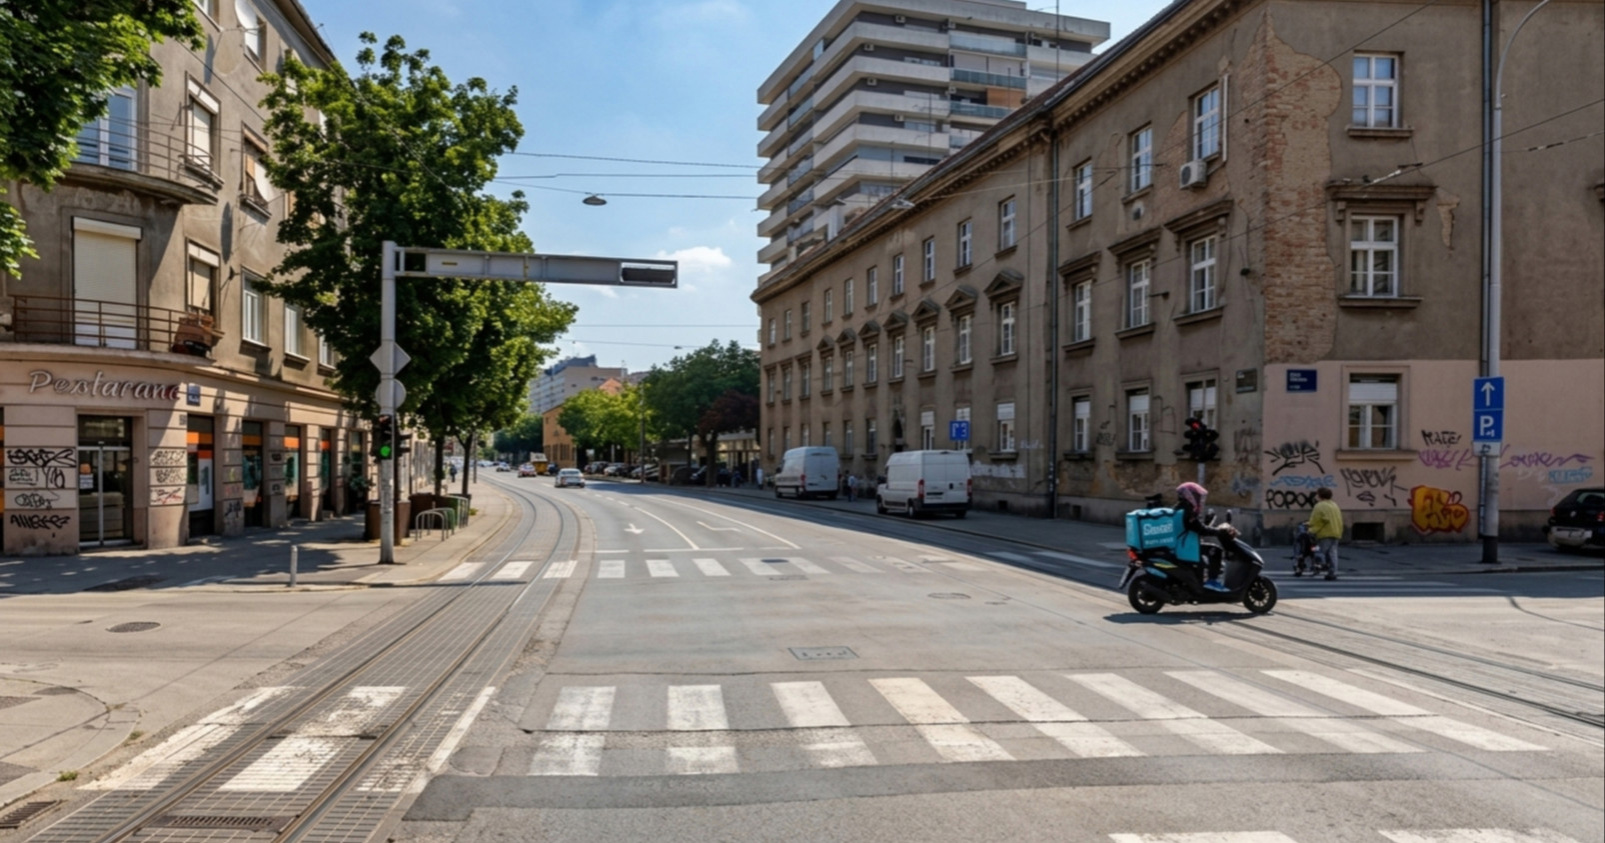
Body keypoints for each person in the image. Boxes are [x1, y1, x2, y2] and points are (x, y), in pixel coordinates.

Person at [1175, 481, 1237, 591]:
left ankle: (1203, 579)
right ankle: (1211, 582)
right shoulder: (1187, 511)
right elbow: (1200, 529)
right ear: (1189, 496)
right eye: (1197, 496)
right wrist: (1218, 531)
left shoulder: (1180, 507)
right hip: (1186, 546)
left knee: (1207, 553)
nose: (1199, 499)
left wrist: (1209, 523)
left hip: (1184, 544)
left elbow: (1196, 527)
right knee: (1215, 551)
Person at [1307, 486, 1343, 581]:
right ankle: (1332, 572)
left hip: (1325, 533)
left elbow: (1316, 520)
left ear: (1319, 495)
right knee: (1332, 553)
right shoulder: (1334, 505)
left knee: (1318, 550)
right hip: (1336, 532)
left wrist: (1311, 528)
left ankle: (1320, 566)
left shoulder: (1319, 506)